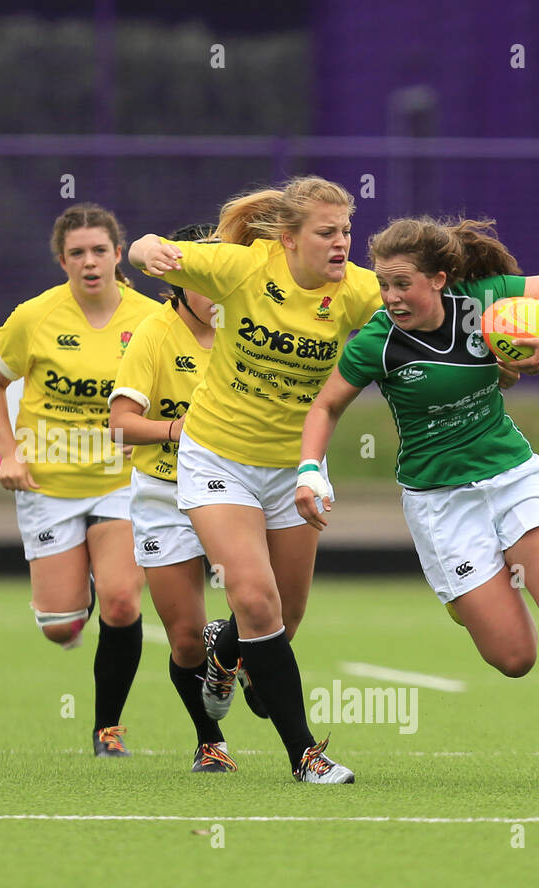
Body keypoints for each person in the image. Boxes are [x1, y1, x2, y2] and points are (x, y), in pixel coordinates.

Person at [295, 215, 539, 789]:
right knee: (514, 658)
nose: (392, 296)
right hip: (440, 503)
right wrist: (310, 473)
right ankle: (464, 596)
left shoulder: (483, 303)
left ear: (440, 279)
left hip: (513, 477)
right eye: (384, 284)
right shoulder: (378, 341)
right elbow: (324, 408)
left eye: (404, 284)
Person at [129, 176, 382, 783]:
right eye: (327, 232)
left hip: (294, 468)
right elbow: (140, 247)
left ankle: (224, 654)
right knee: (255, 599)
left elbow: (415, 312)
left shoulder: (355, 290)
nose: (342, 243)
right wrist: (150, 252)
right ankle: (305, 755)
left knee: (284, 621)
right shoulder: (241, 268)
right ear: (290, 239)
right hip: (217, 458)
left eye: (347, 230)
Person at [0, 203, 160, 757]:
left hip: (123, 481)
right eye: (77, 253)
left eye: (99, 250)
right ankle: (70, 601)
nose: (89, 262)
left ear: (117, 254)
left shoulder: (151, 318)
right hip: (47, 484)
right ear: (62, 260)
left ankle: (109, 729)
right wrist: (8, 454)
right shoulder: (34, 317)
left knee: (123, 602)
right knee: (59, 625)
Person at [109, 222, 235, 772]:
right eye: (202, 278)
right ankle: (210, 741)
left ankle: (232, 651)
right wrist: (173, 430)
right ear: (178, 283)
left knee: (260, 611)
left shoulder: (245, 328)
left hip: (234, 488)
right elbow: (119, 425)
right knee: (185, 642)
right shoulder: (154, 335)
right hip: (164, 492)